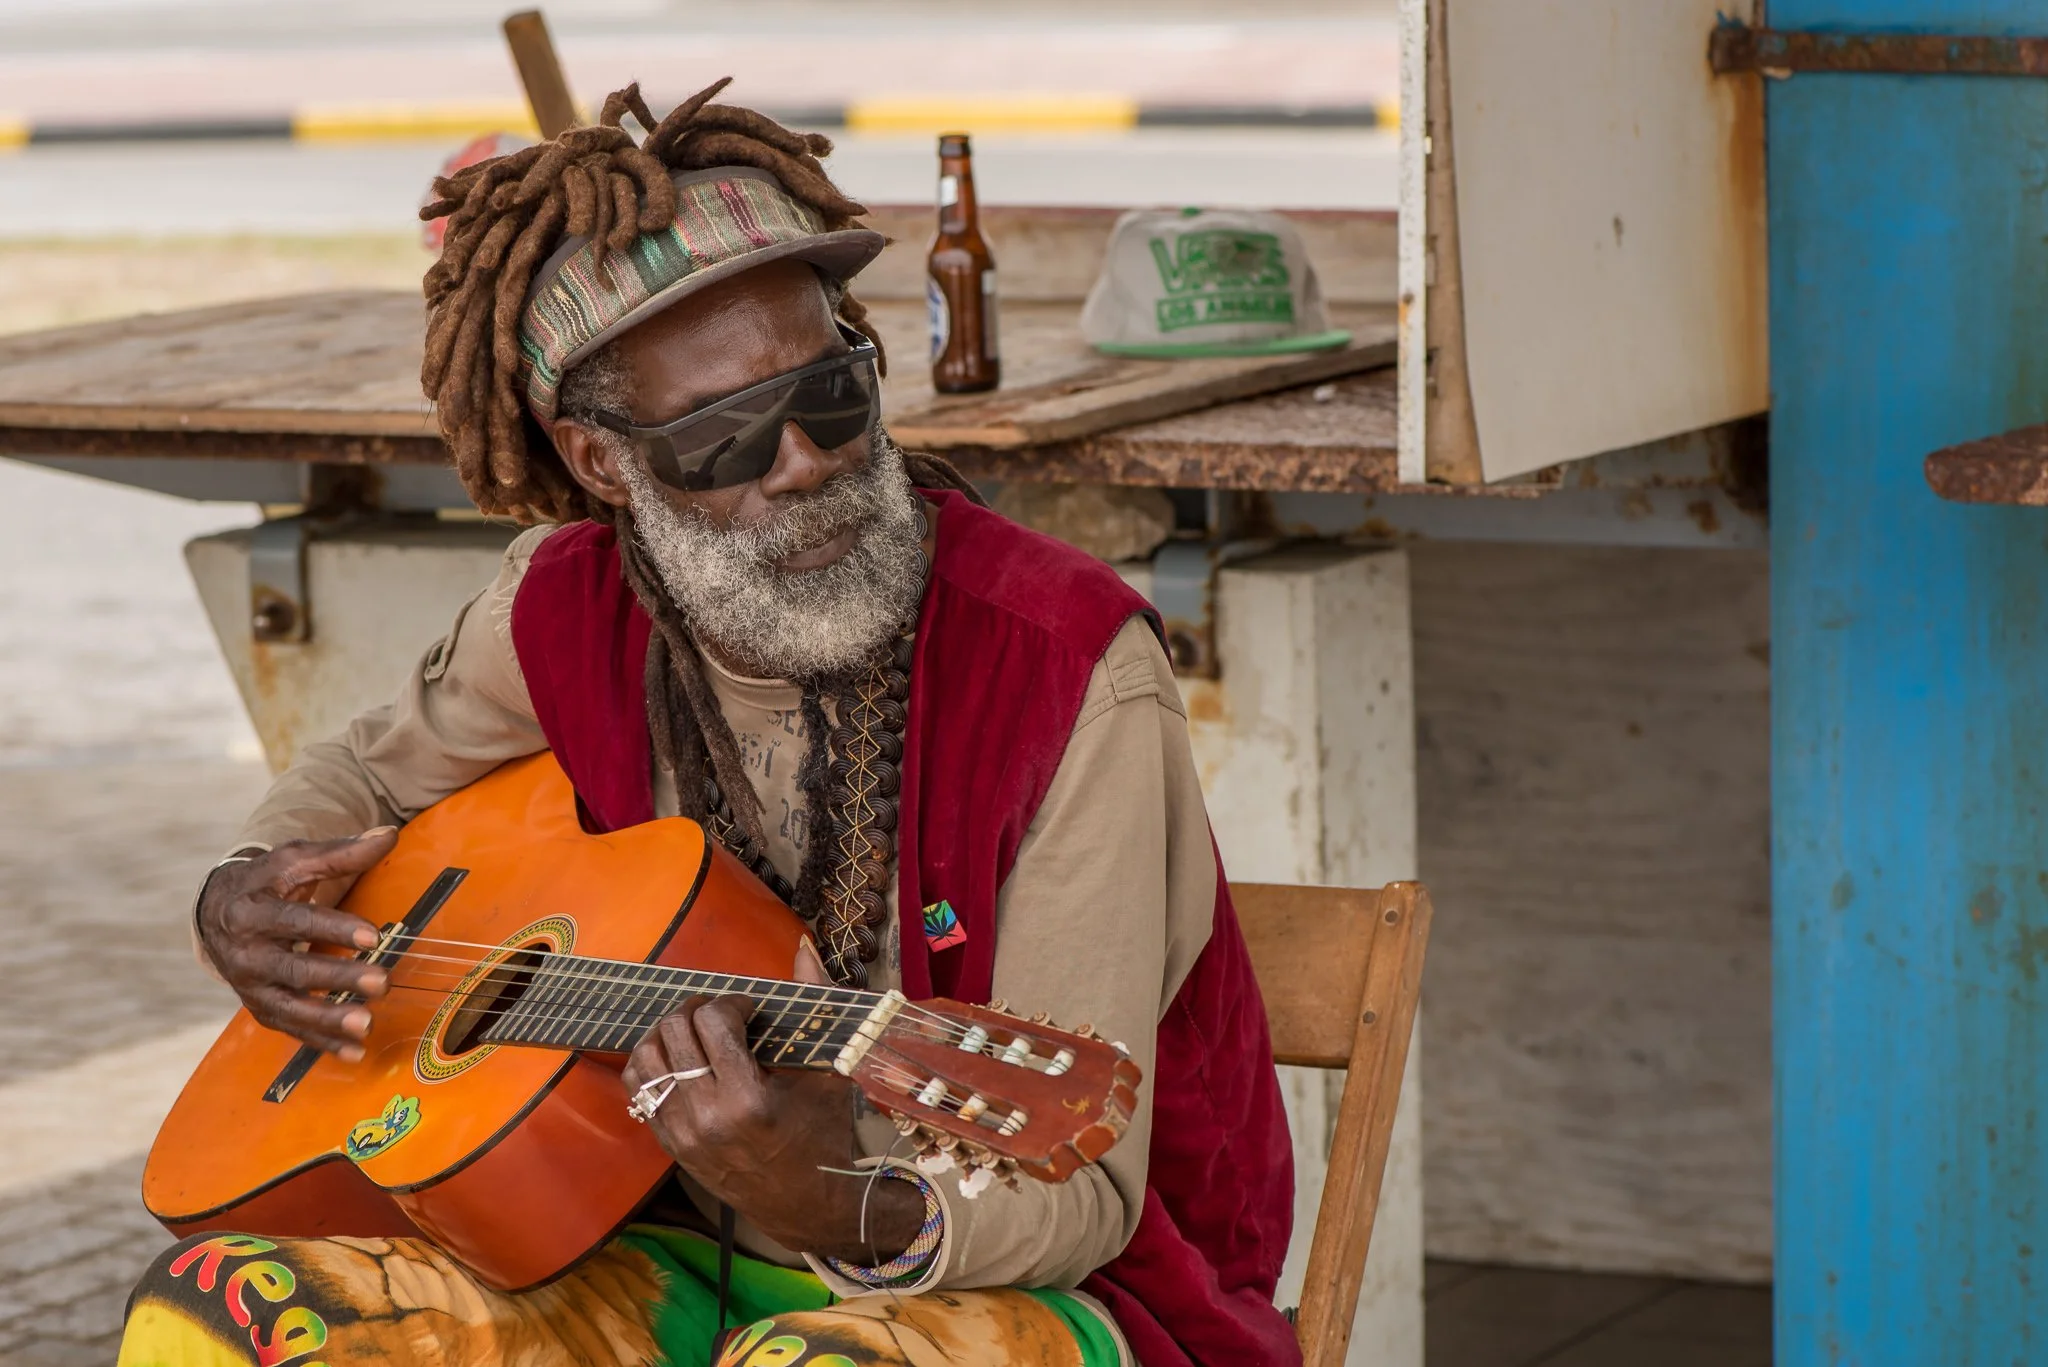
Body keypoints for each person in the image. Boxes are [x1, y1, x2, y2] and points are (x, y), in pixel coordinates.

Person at [119, 80, 1295, 1367]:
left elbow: (1078, 1194)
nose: (802, 460)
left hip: (1025, 1290)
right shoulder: (566, 604)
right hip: (638, 1245)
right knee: (221, 1312)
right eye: (723, 435)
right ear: (601, 461)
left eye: (833, 395)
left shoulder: (1068, 667)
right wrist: (244, 888)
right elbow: (357, 775)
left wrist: (826, 1198)